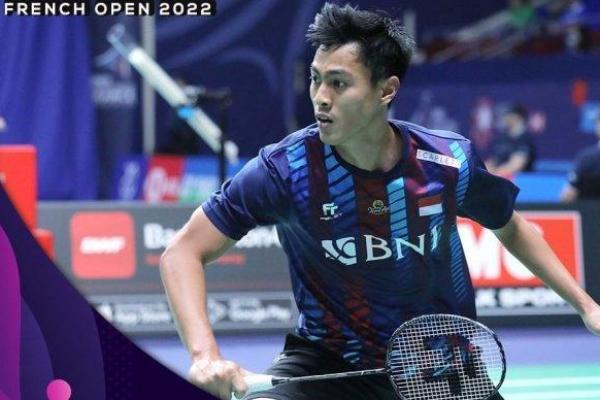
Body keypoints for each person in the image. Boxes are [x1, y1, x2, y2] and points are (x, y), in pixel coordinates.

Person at [160, 4, 600, 400]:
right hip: (326, 365)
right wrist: (204, 356)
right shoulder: (284, 170)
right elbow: (183, 251)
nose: (321, 97)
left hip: (440, 366)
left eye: (338, 83)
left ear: (386, 90)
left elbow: (512, 226)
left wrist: (588, 307)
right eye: (315, 78)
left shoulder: (447, 162)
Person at [485, 105, 536, 178]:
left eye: (508, 114)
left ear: (518, 117)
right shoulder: (502, 138)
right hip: (498, 179)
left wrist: (493, 176)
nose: (504, 117)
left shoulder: (525, 139)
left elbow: (516, 165)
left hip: (519, 181)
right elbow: (493, 161)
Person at [560, 115, 600, 201]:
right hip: (590, 208)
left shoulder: (588, 157)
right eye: (598, 122)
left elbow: (568, 194)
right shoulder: (587, 158)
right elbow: (569, 194)